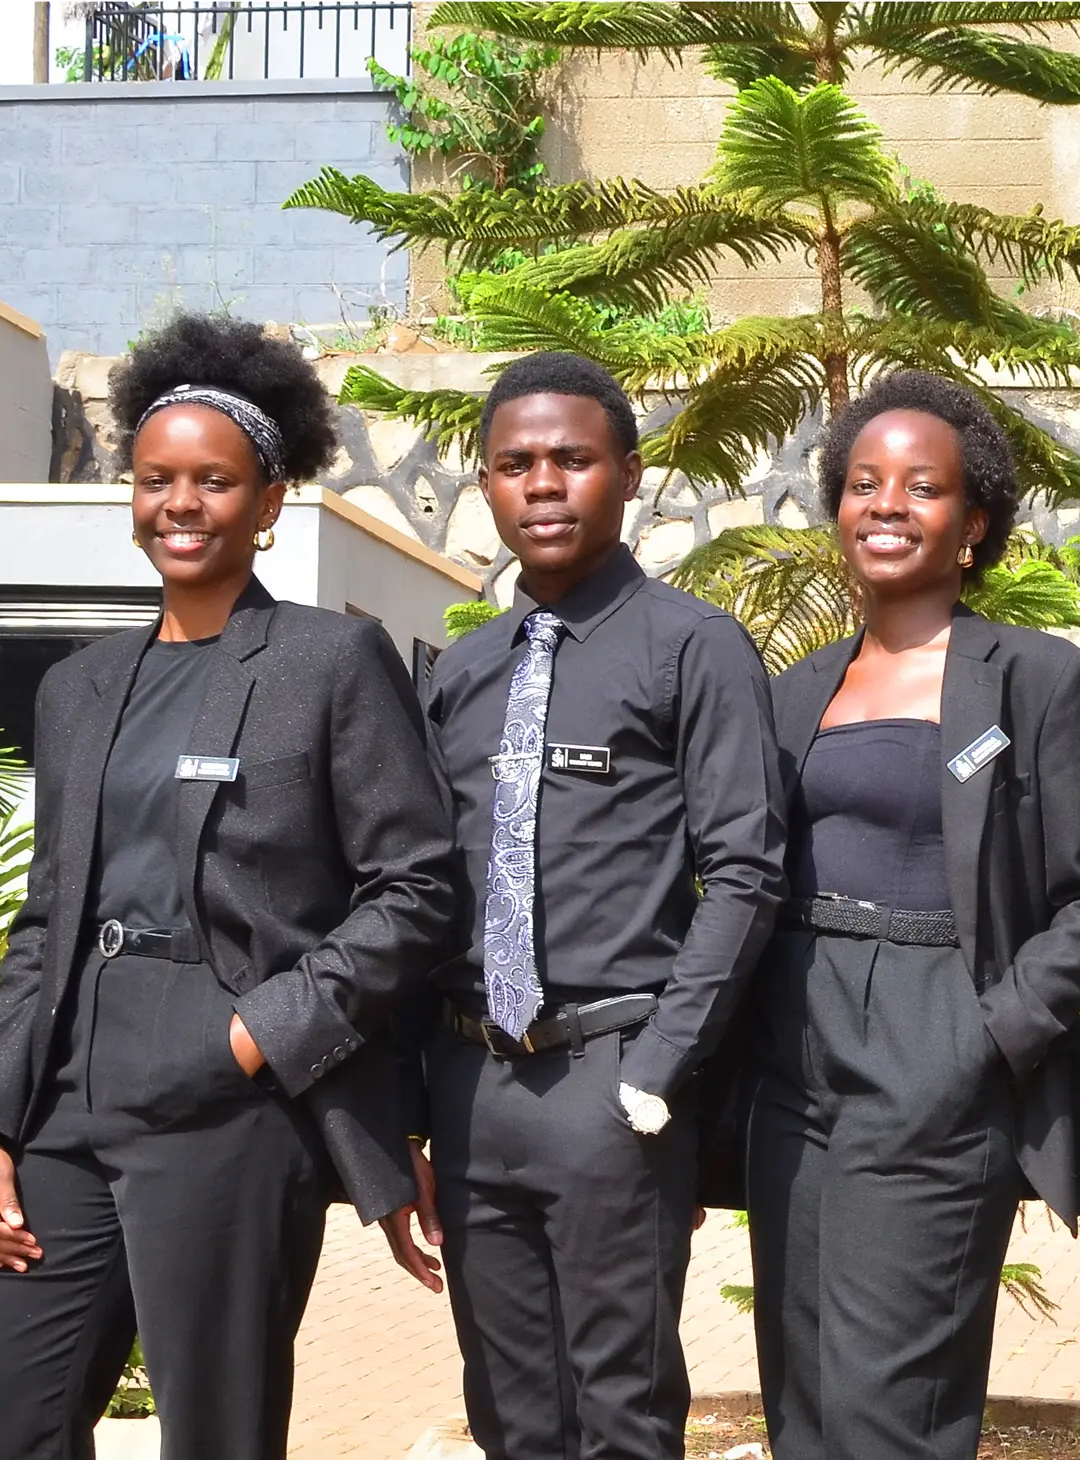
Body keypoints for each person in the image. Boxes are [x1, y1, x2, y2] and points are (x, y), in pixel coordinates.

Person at [0, 312, 465, 1459]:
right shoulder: (81, 688)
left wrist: (256, 1033)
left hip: (231, 1095)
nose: (181, 502)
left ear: (269, 502)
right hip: (70, 1087)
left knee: (213, 1432)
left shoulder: (330, 662)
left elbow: (419, 887)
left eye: (214, 481)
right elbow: (48, 916)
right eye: (156, 478)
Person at [386, 352, 785, 1460]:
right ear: (487, 484)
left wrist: (659, 1065)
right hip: (472, 1087)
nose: (543, 483)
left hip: (610, 1080)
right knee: (509, 1410)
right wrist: (416, 1101)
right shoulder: (461, 676)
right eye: (514, 464)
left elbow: (746, 872)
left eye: (571, 458)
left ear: (630, 473)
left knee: (621, 1405)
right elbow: (424, 891)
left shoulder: (691, 646)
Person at [742, 372, 1080, 1460]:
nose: (886, 503)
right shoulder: (790, 689)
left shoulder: (1040, 681)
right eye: (863, 482)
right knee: (805, 1408)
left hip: (936, 1055)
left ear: (972, 526)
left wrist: (984, 1035)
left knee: (892, 1412)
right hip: (794, 1066)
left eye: (922, 487)